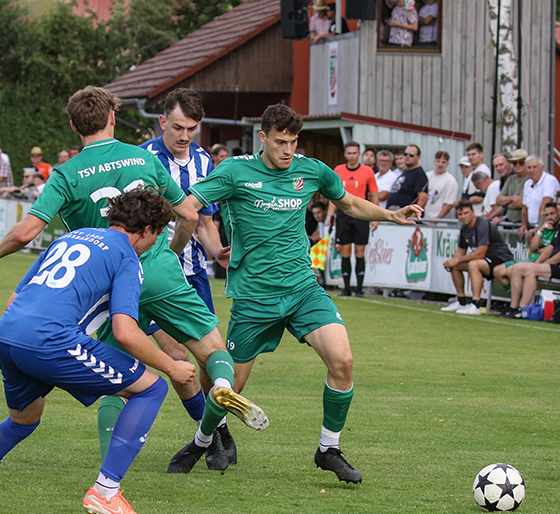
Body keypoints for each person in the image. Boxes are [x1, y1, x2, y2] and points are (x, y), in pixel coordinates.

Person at [0, 86, 267, 474]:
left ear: (73, 125)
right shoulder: (143, 157)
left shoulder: (66, 173)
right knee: (210, 350)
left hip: (110, 280)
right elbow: (190, 216)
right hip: (160, 270)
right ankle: (217, 410)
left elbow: (27, 232)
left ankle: (111, 474)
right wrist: (169, 253)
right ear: (112, 117)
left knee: (119, 376)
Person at [169, 103, 424, 482]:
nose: (288, 150)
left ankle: (328, 449)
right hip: (254, 298)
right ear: (263, 138)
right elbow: (187, 207)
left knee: (343, 360)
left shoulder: (312, 170)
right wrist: (170, 250)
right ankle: (205, 438)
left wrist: (391, 214)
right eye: (280, 142)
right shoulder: (235, 172)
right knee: (228, 387)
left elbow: (349, 202)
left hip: (303, 290)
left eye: (293, 142)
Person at [0, 187, 196, 514]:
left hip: (7, 333)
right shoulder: (126, 256)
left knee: (22, 420)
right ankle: (106, 492)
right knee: (152, 387)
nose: (155, 243)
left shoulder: (72, 237)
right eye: (158, 235)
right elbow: (125, 331)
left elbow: (15, 297)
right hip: (49, 339)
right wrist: (171, 366)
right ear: (148, 230)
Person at [139, 87, 237, 470]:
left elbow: (205, 223)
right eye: (177, 127)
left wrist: (217, 251)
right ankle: (212, 436)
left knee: (209, 360)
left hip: (193, 275)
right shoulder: (143, 159)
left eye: (191, 129)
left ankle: (216, 431)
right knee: (178, 358)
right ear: (162, 121)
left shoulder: (204, 160)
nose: (184, 135)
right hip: (152, 277)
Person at [501, 190, 560, 318]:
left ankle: (523, 309)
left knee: (530, 270)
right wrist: (538, 262)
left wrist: (545, 263)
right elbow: (551, 248)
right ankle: (513, 308)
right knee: (516, 268)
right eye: (559, 204)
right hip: (552, 264)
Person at [441, 199, 514, 315]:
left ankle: (476, 305)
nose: (463, 217)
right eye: (460, 214)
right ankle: (461, 301)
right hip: (485, 260)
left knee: (473, 264)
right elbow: (461, 249)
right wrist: (452, 261)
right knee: (456, 266)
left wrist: (457, 259)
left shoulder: (482, 224)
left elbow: (480, 253)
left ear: (473, 212)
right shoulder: (464, 228)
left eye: (466, 213)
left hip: (500, 258)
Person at [328, 141, 378, 297]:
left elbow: (374, 194)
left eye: (354, 153)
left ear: (359, 154)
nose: (351, 156)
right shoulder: (338, 170)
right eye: (349, 153)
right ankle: (346, 288)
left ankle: (360, 288)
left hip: (361, 213)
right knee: (345, 250)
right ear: (345, 154)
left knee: (360, 251)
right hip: (343, 213)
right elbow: (332, 193)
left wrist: (375, 216)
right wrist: (330, 214)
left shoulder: (367, 171)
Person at [520, 155, 560, 239]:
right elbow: (524, 208)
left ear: (542, 168)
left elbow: (545, 205)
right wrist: (524, 226)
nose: (532, 170)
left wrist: (538, 228)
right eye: (529, 167)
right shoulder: (527, 183)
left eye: (535, 167)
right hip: (531, 227)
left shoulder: (549, 180)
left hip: (546, 226)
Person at [387, 144, 428, 210]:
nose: (407, 157)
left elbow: (424, 198)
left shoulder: (419, 174)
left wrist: (414, 214)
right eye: (405, 154)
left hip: (406, 215)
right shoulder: (406, 171)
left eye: (411, 155)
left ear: (418, 157)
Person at [494, 149, 529, 225]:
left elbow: (522, 203)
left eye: (521, 163)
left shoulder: (530, 179)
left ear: (527, 163)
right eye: (515, 163)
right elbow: (498, 200)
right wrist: (513, 198)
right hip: (510, 223)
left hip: (525, 225)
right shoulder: (510, 179)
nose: (518, 165)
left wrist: (507, 202)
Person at [424, 150, 458, 219]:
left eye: (443, 162)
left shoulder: (451, 180)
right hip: (424, 219)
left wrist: (436, 221)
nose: (440, 164)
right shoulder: (427, 176)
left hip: (440, 222)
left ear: (448, 164)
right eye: (438, 161)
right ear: (434, 162)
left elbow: (449, 204)